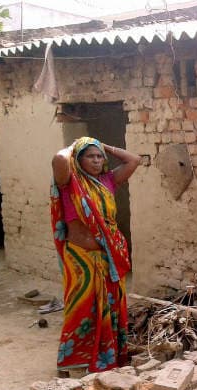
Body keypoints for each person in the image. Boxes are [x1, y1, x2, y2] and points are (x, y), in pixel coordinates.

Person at [51, 137, 140, 375]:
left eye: (100, 156)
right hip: (80, 257)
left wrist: (103, 145)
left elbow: (134, 160)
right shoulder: (69, 182)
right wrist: (75, 146)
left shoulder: (108, 180)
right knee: (80, 306)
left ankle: (109, 356)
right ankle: (71, 360)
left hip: (109, 256)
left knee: (112, 307)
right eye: (90, 156)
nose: (97, 160)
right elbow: (59, 159)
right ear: (78, 159)